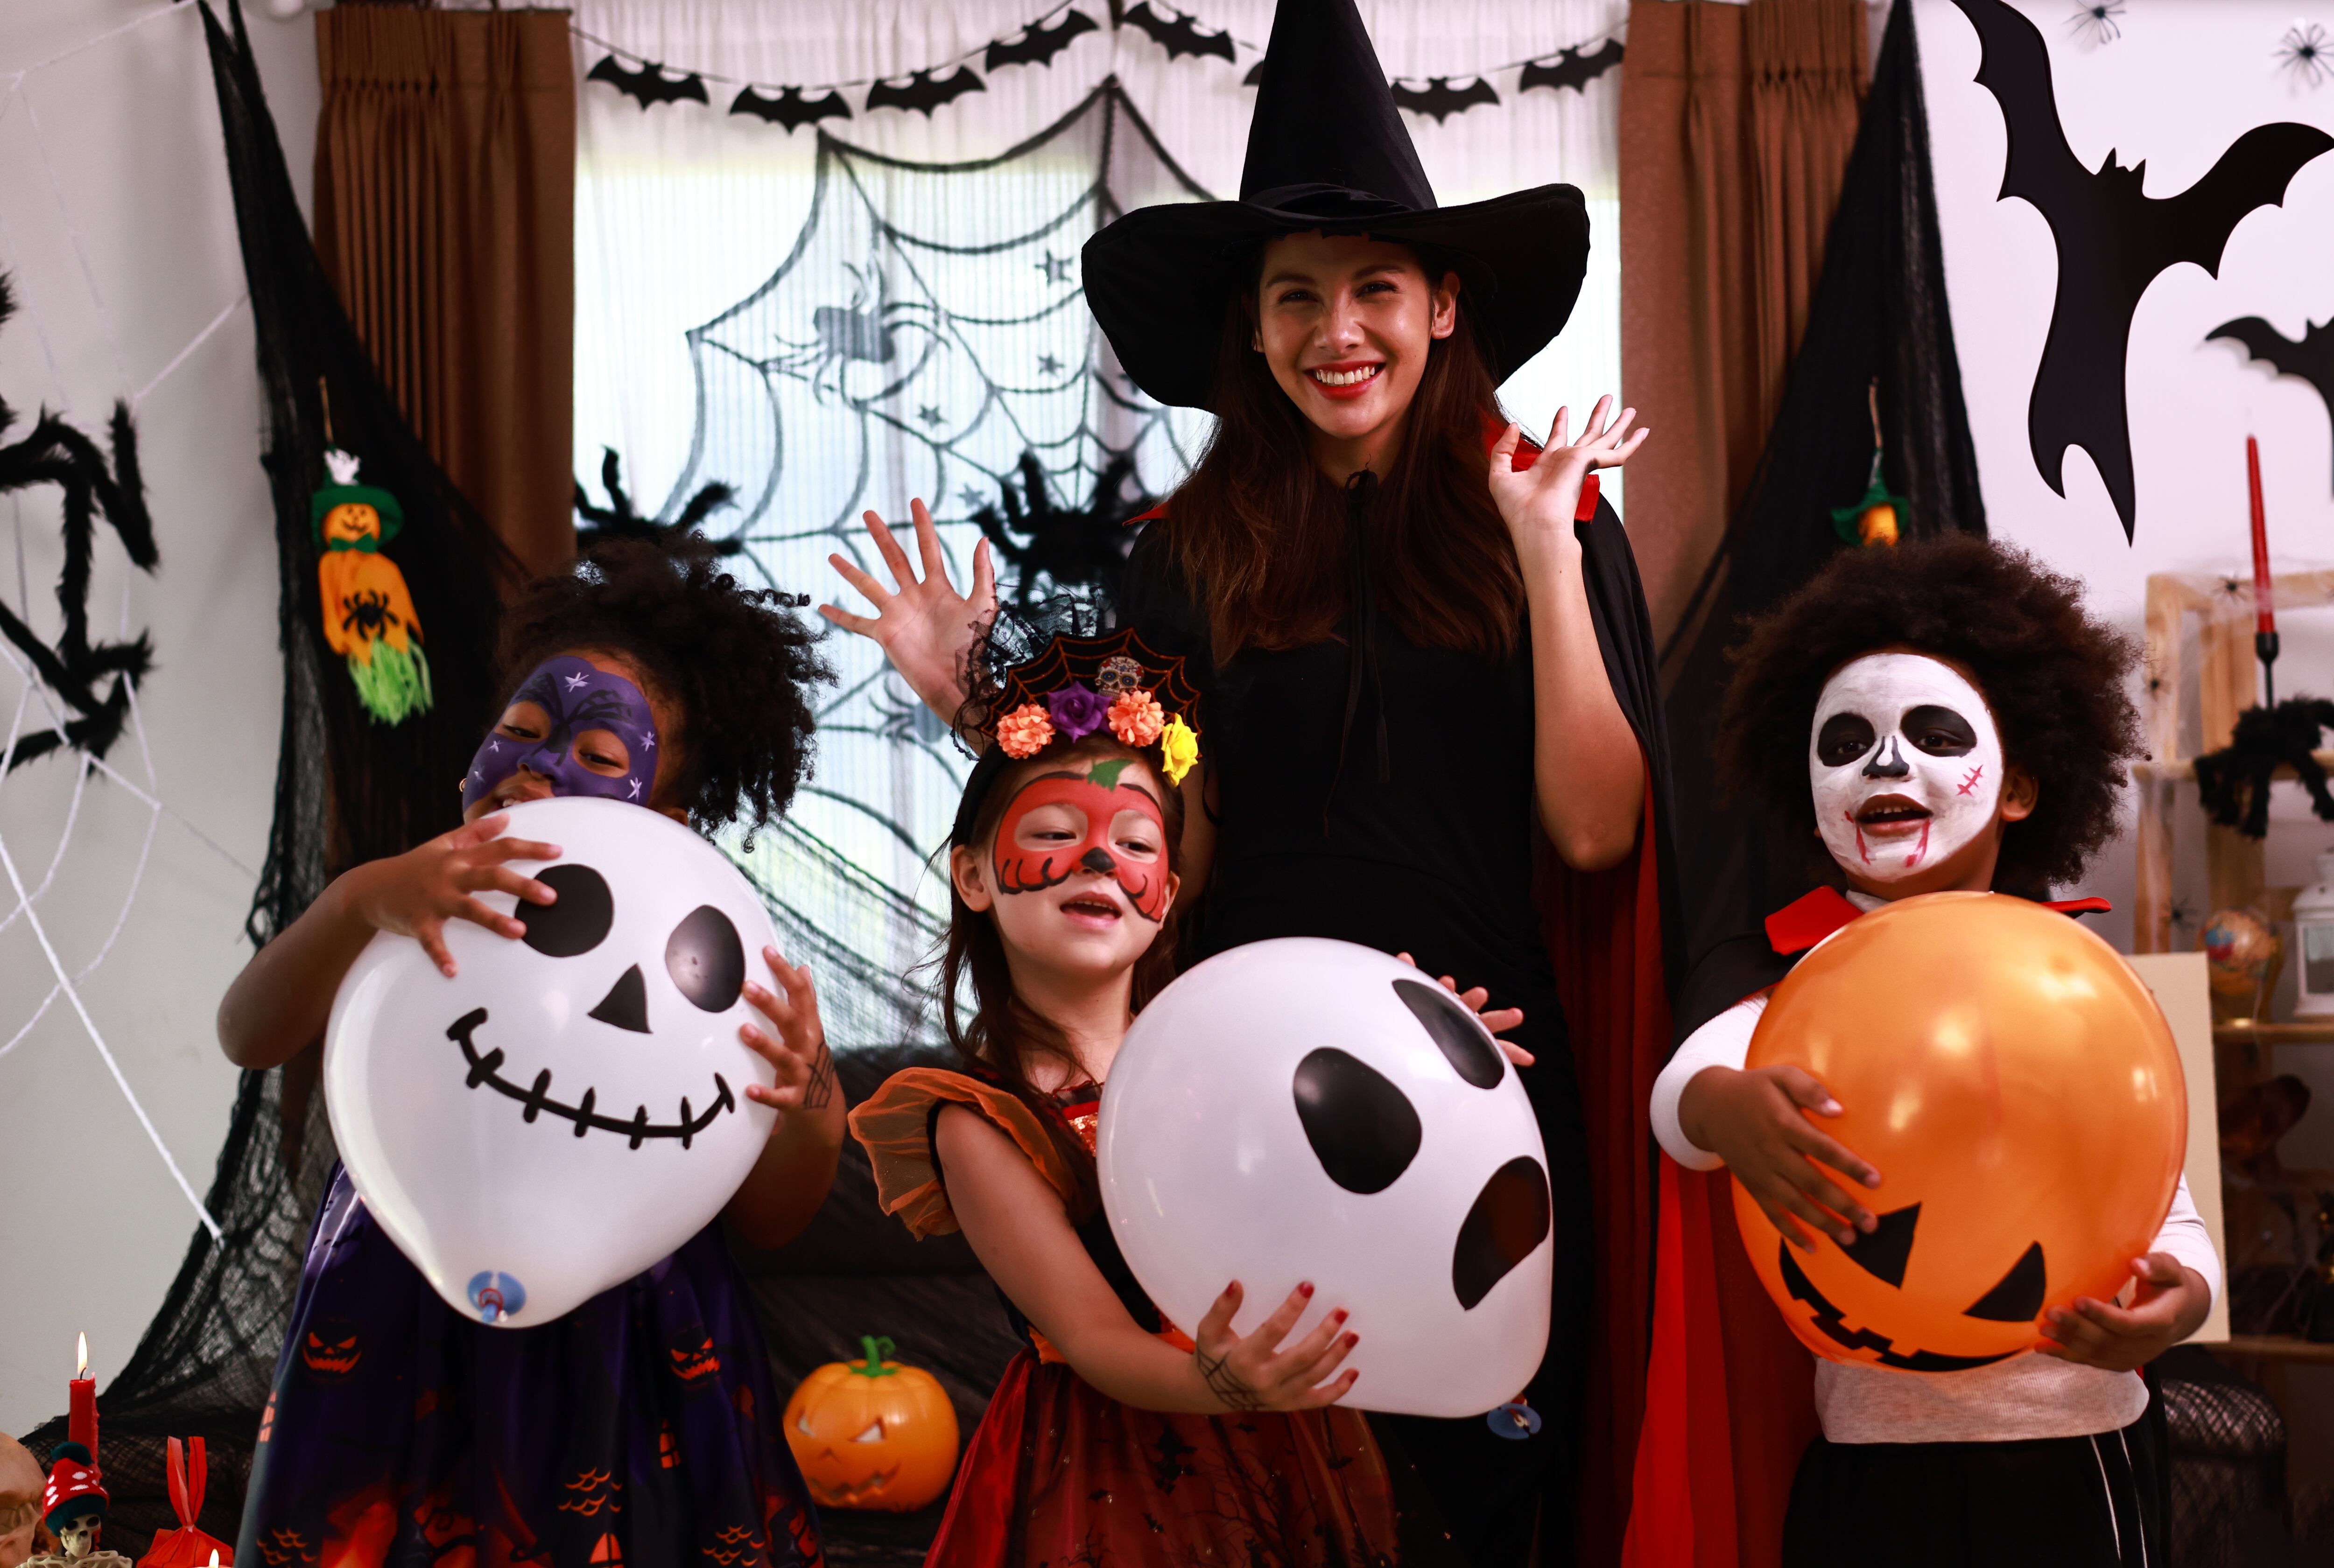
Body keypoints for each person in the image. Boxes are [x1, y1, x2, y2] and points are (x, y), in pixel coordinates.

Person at [820, 3, 1678, 1559]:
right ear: (1251, 327)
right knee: (1294, 1477)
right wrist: (981, 712)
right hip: (1246, 1081)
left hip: (1484, 1058)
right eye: (1296, 298)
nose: (1335, 332)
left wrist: (1548, 554)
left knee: (1495, 1489)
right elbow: (1172, 845)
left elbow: (1599, 826)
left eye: (1374, 291)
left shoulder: (1544, 515)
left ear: (1441, 303)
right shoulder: (1187, 561)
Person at [218, 541, 840, 1568]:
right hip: (395, 1305)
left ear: (669, 820)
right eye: (516, 730)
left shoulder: (713, 965)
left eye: (598, 759)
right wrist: (355, 899)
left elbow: (776, 1216)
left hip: (636, 1341)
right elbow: (247, 1033)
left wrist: (809, 1084)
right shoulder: (417, 895)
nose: (534, 767)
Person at [851, 626, 1515, 1566]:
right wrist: (1220, 1383)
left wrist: (1432, 1057)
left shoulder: (1238, 1053)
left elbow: (1351, 1190)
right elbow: (1090, 1337)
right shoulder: (977, 1119)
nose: (1096, 861)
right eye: (1051, 833)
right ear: (971, 875)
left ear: (1167, 888)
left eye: (1134, 842)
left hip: (1296, 1430)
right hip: (1118, 1467)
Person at [1639, 535, 2219, 1568]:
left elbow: (2167, 1200)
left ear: (2019, 787)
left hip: (2077, 1438)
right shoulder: (1782, 966)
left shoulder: (2081, 973)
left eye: (1931, 733)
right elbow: (1683, 1101)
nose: (1886, 765)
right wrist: (1721, 1107)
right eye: (1847, 740)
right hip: (1873, 1449)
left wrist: (2187, 1298)